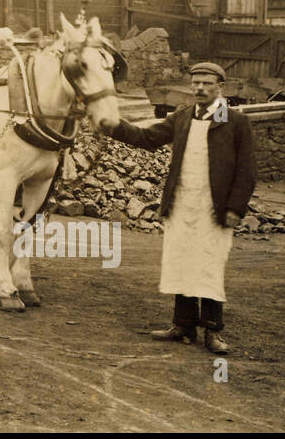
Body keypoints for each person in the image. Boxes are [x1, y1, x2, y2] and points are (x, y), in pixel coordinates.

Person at [101, 62, 256, 354]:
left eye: (206, 83)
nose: (199, 88)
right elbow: (147, 138)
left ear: (220, 87)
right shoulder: (183, 117)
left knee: (209, 262)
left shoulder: (236, 122)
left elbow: (247, 171)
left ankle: (212, 331)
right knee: (182, 259)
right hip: (182, 201)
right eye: (195, 82)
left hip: (215, 206)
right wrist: (113, 126)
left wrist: (235, 207)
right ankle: (183, 324)